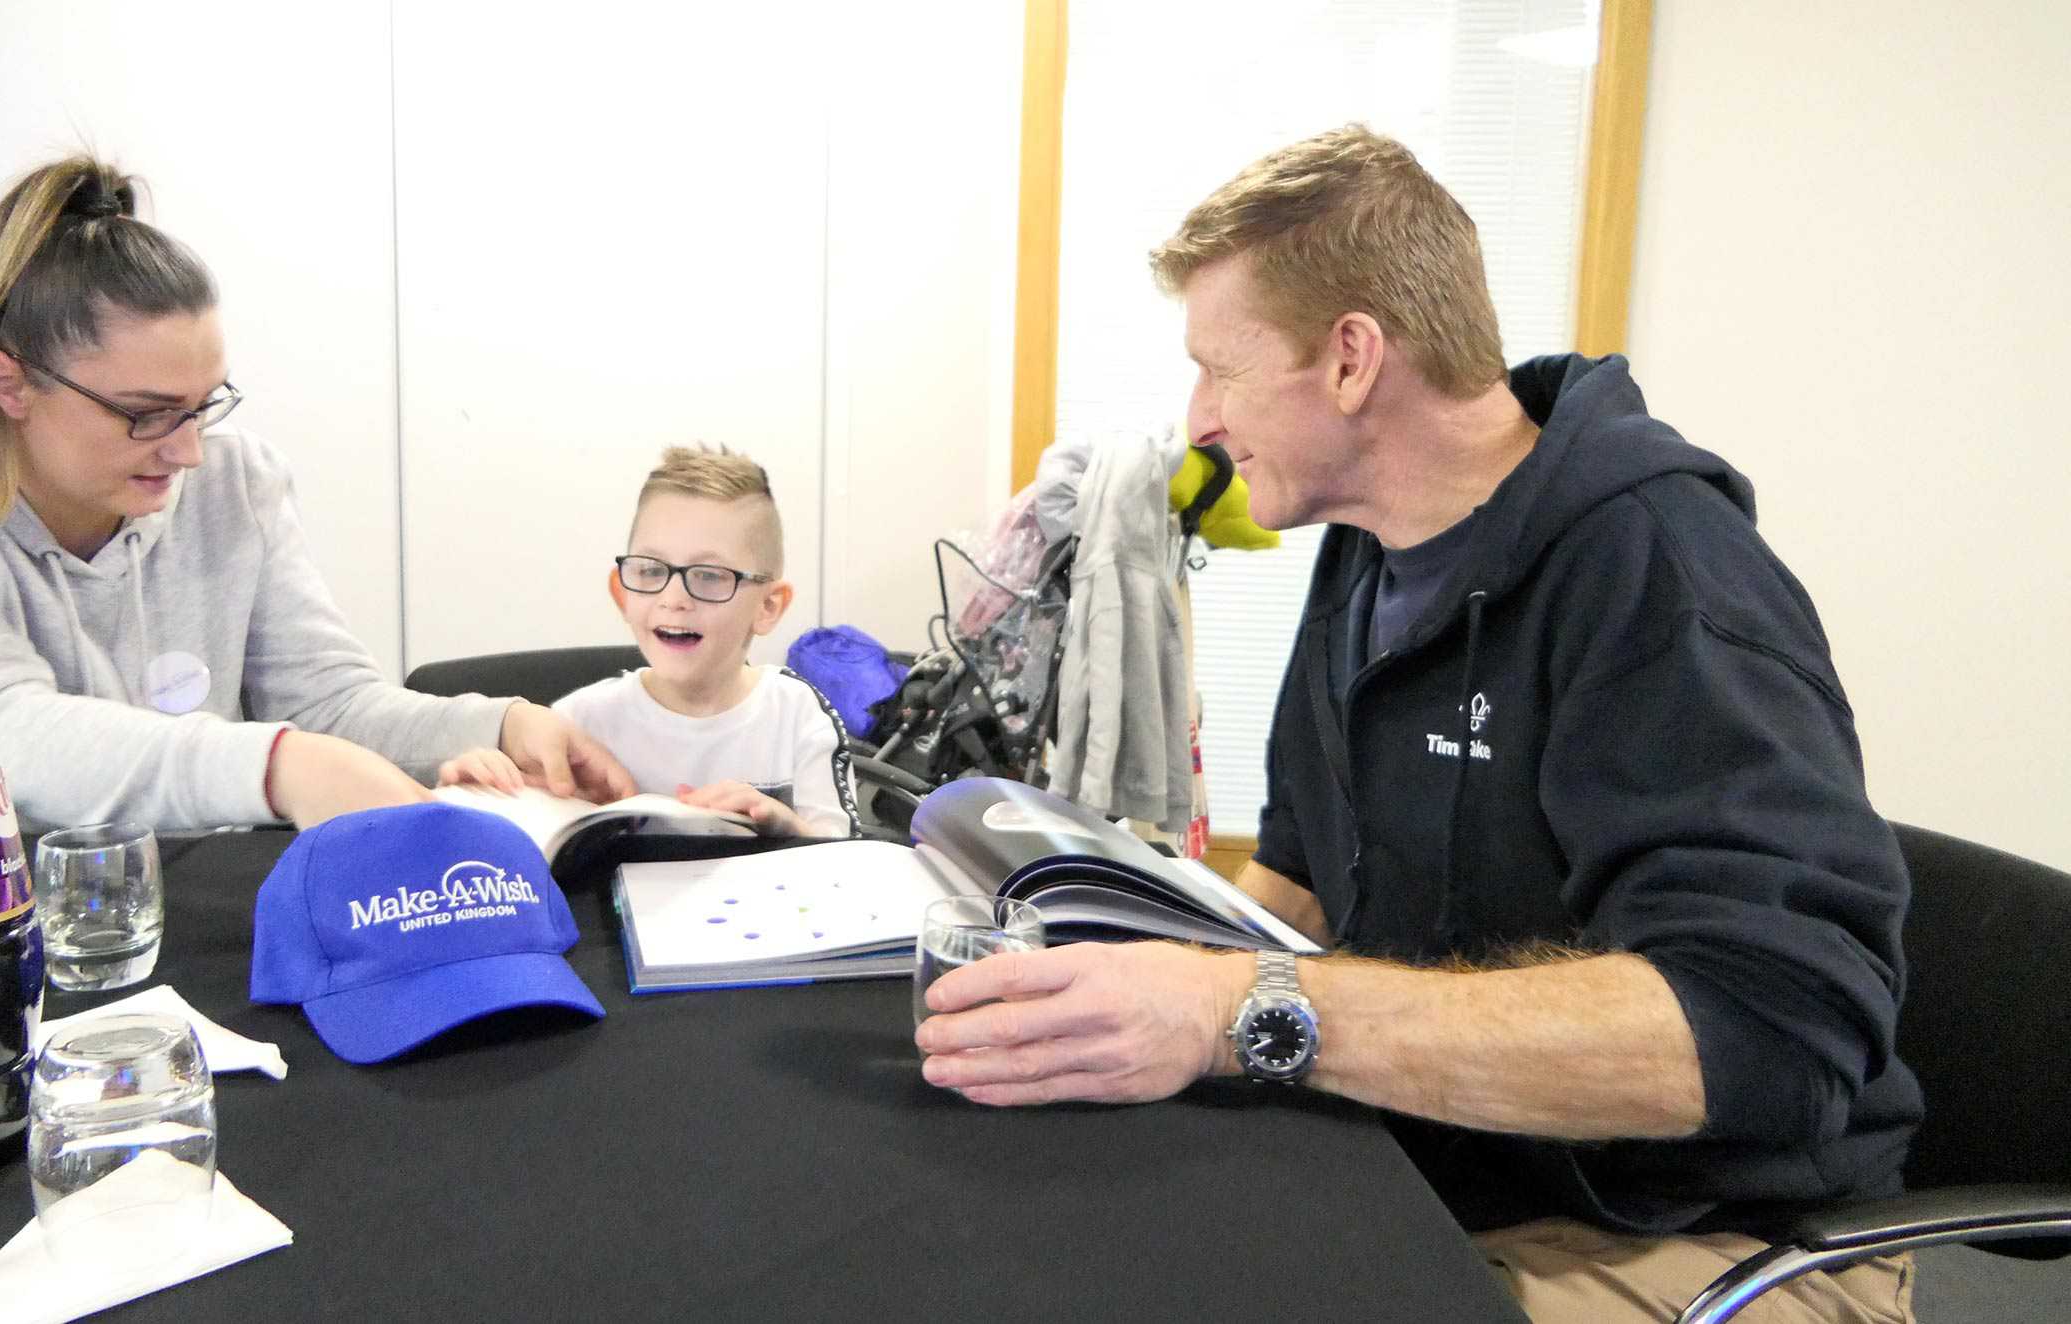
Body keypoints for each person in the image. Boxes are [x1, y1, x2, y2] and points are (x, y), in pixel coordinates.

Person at [914, 126, 1921, 1324]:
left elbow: (1767, 1028)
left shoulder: (1659, 573)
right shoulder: (1362, 554)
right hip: (1457, 1159)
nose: (1196, 424)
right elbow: (1293, 881)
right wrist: (1108, 958)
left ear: (1349, 360)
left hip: (1708, 1234)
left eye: (1218, 371)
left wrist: (1230, 1008)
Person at [0, 156, 631, 833]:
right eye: (146, 415)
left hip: (158, 910)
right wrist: (275, 766)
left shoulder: (235, 479)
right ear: (8, 382)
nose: (190, 450)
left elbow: (327, 703)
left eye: (204, 405)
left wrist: (498, 726)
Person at [481, 444, 856, 837]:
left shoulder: (798, 715)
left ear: (768, 606)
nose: (673, 599)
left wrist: (783, 826)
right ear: (621, 593)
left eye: (709, 575)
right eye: (649, 570)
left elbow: (843, 865)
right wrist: (488, 790)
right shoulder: (577, 723)